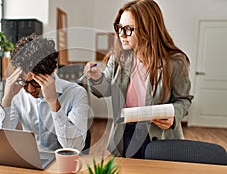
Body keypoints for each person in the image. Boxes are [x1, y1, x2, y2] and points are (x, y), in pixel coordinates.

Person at [83, 0, 193, 158]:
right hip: (125, 133)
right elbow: (104, 90)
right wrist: (96, 77)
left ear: (148, 29)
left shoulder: (175, 62)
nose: (121, 34)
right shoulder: (118, 58)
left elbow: (184, 99)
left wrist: (174, 115)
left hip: (158, 136)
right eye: (119, 28)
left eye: (128, 29)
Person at [0, 34, 90, 152]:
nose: (31, 90)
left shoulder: (76, 94)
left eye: (36, 83)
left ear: (52, 72)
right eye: (24, 83)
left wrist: (54, 104)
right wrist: (6, 100)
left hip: (65, 162)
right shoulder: (17, 94)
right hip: (33, 161)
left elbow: (74, 147)